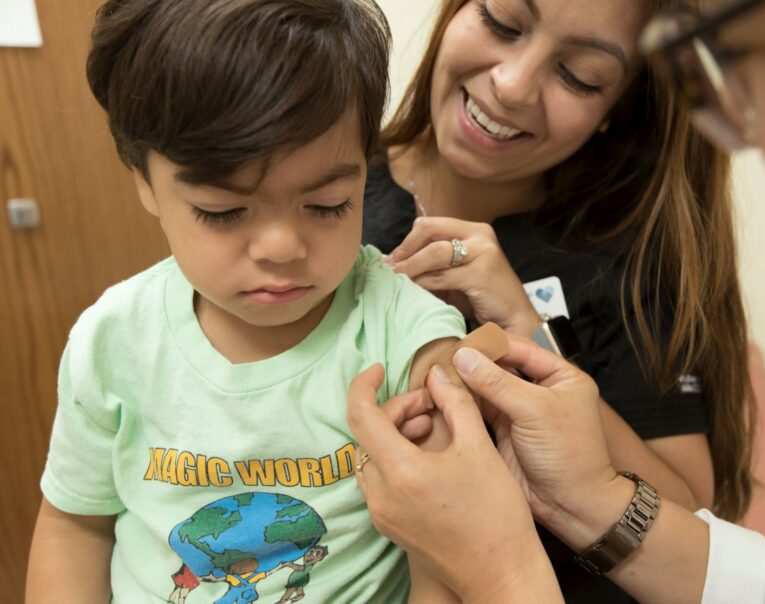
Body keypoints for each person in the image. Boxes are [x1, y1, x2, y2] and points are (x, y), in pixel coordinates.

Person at [348, 0, 765, 601]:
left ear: (618, 106)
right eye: (502, 21)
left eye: (579, 76)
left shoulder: (626, 264)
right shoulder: (325, 191)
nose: (510, 85)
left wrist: (533, 334)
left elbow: (691, 517)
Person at [24, 1, 468, 602]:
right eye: (223, 211)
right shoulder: (113, 339)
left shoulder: (404, 332)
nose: (282, 247)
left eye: (328, 203)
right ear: (143, 182)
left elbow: (451, 548)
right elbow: (75, 525)